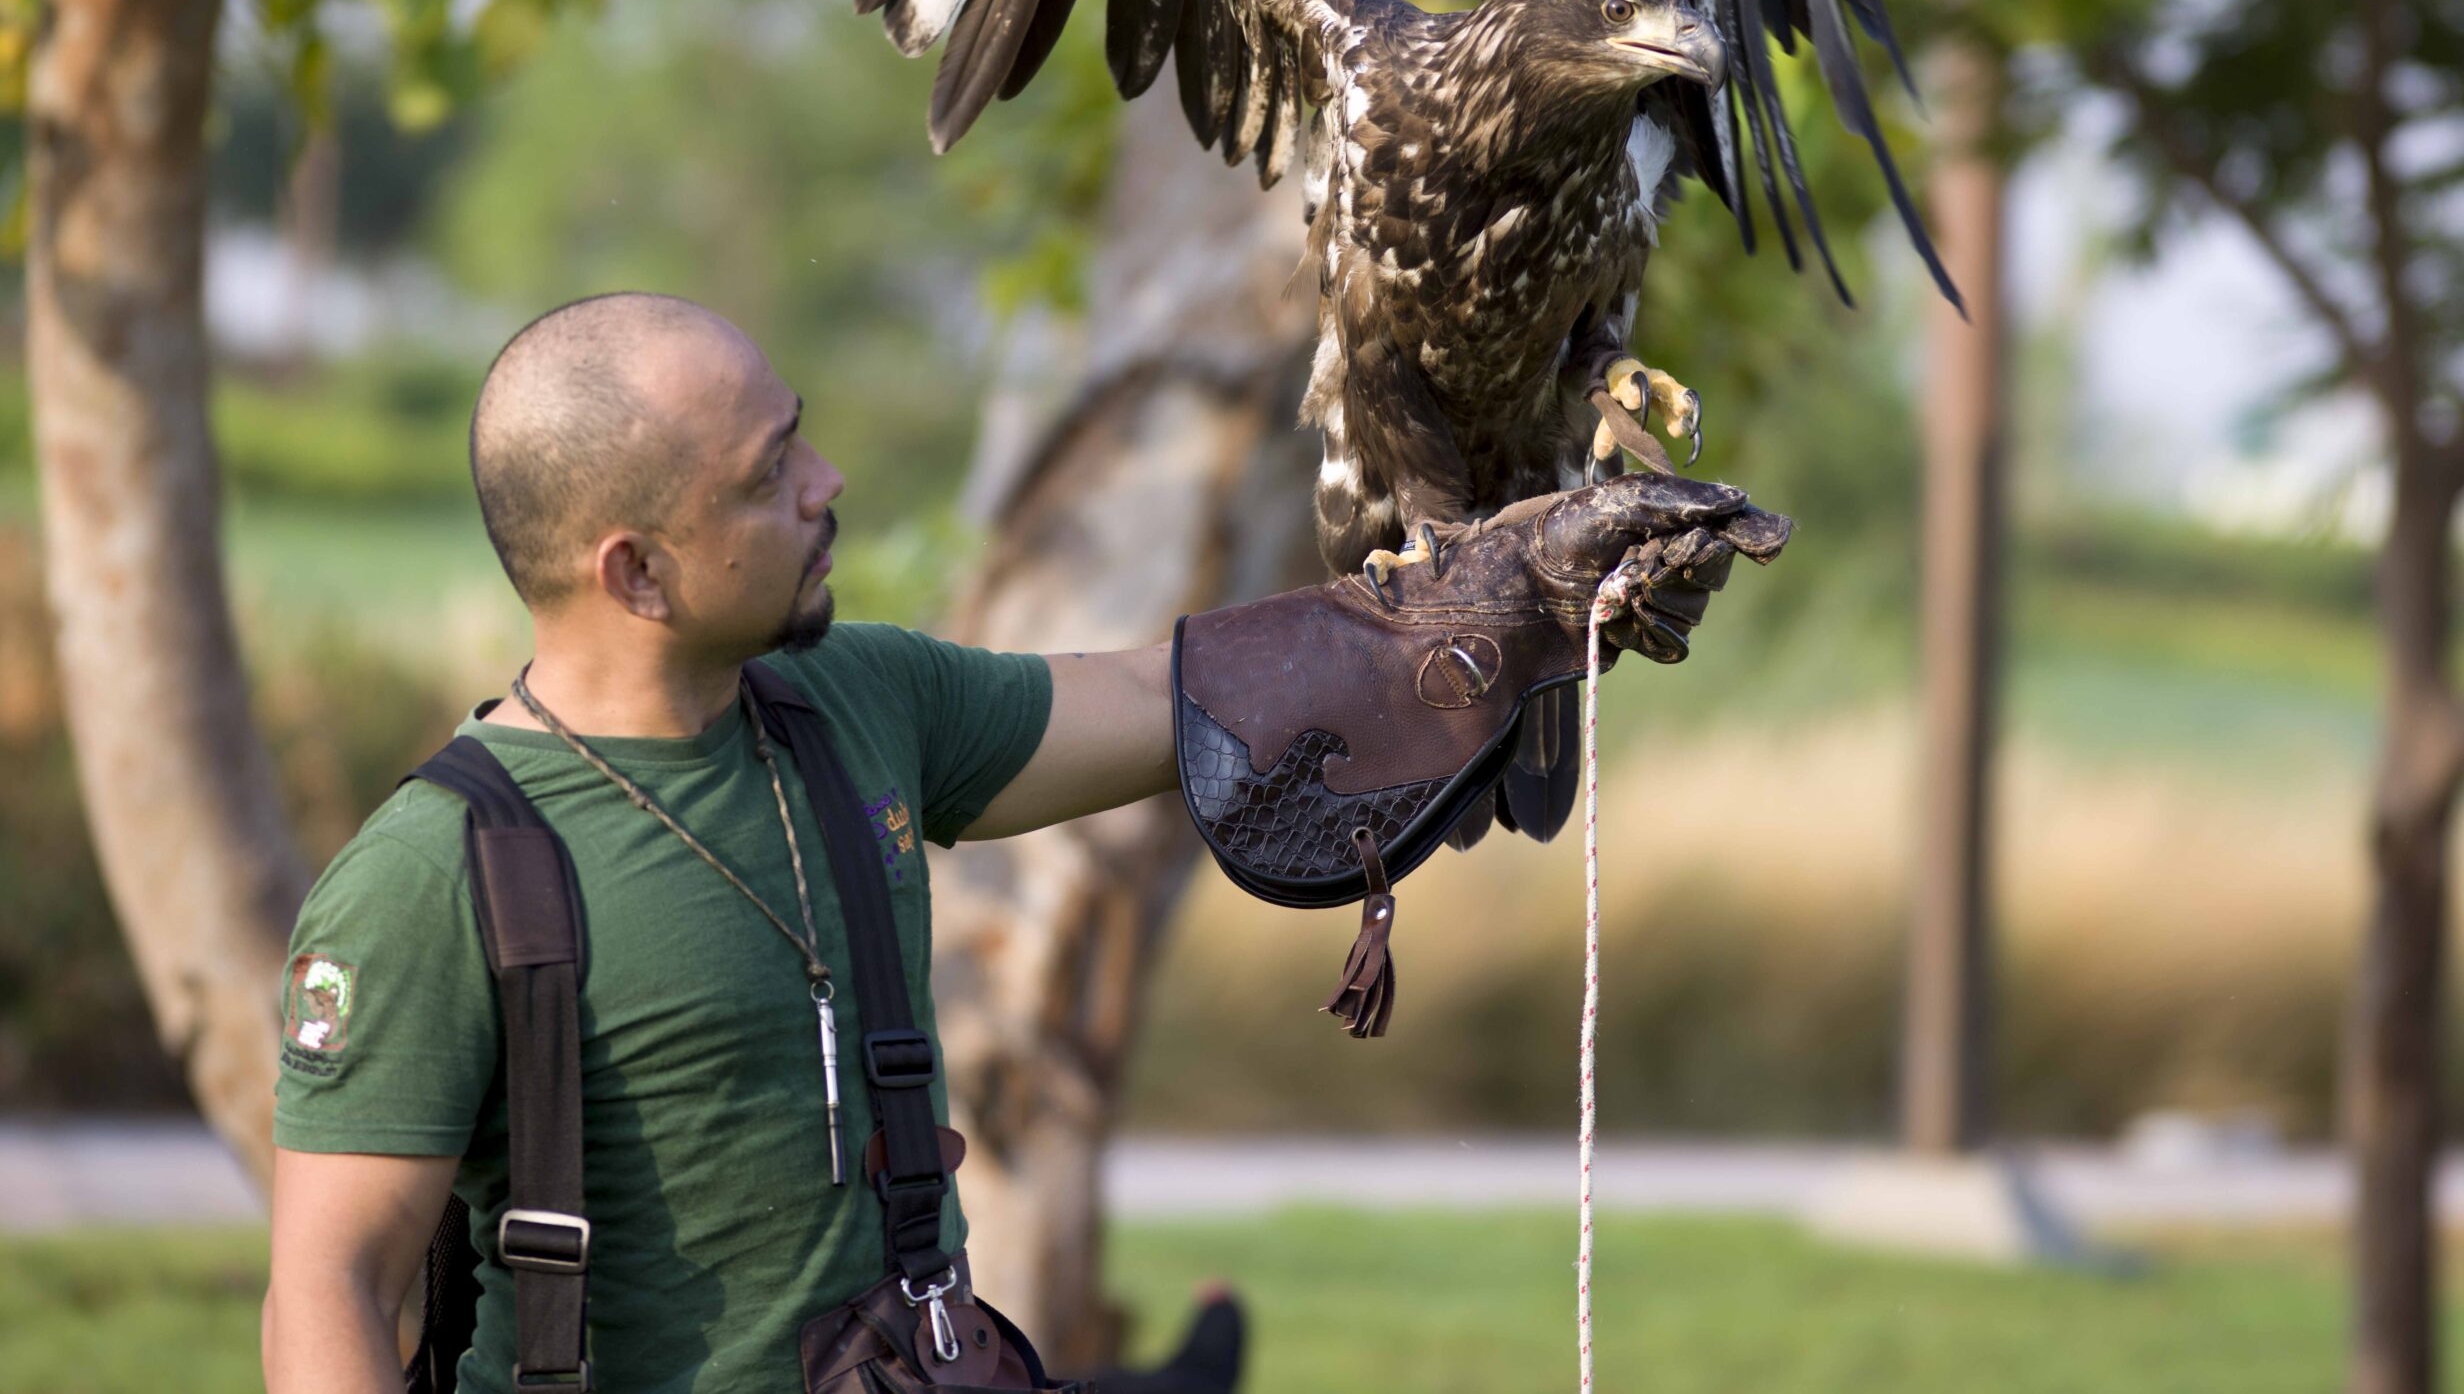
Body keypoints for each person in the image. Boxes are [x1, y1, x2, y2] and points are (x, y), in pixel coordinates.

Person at [261, 292, 1752, 1394]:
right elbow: (335, 1279)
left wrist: (1505, 609)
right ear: (633, 573)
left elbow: (1163, 699)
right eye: (768, 473)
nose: (827, 481)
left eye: (803, 437)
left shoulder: (865, 700)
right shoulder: (438, 874)